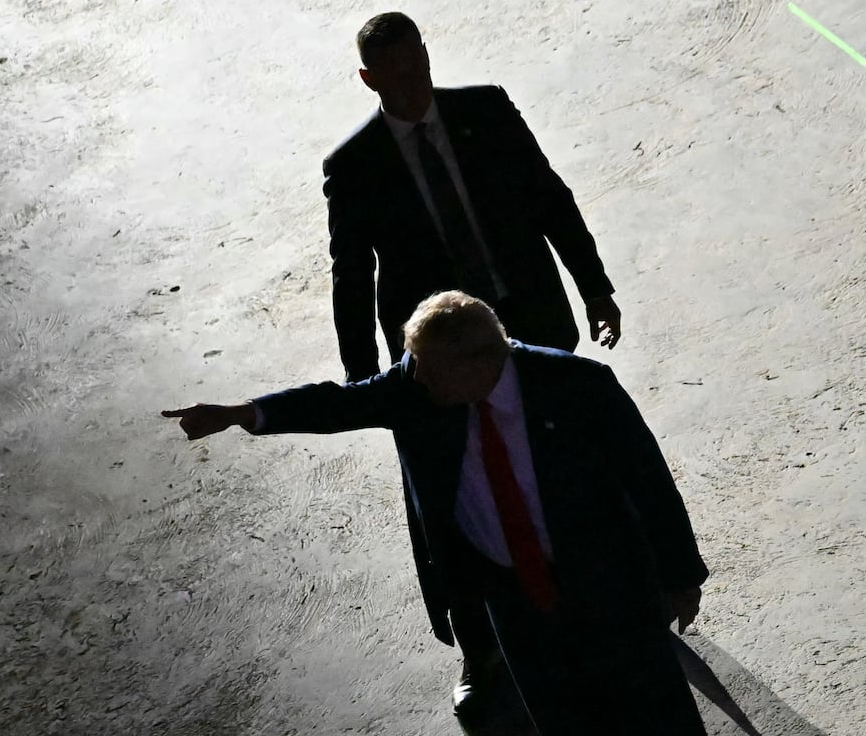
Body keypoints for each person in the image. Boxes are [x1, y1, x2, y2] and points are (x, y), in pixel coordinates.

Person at [163, 291, 708, 736]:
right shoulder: (417, 389)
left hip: (606, 585)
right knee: (564, 721)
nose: (415, 378)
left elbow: (649, 482)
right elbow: (339, 403)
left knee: (655, 714)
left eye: (427, 368)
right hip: (512, 599)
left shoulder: (578, 388)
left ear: (479, 362)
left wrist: (682, 578)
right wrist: (243, 413)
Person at [323, 10, 623, 710]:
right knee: (451, 504)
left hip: (528, 327)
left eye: (418, 63)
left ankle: (604, 597)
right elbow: (350, 278)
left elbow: (550, 198)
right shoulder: (355, 165)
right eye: (394, 74)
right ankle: (479, 646)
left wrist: (594, 284)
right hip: (441, 362)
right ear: (368, 79)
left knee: (569, 469)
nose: (412, 83)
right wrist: (365, 382)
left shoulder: (486, 110)